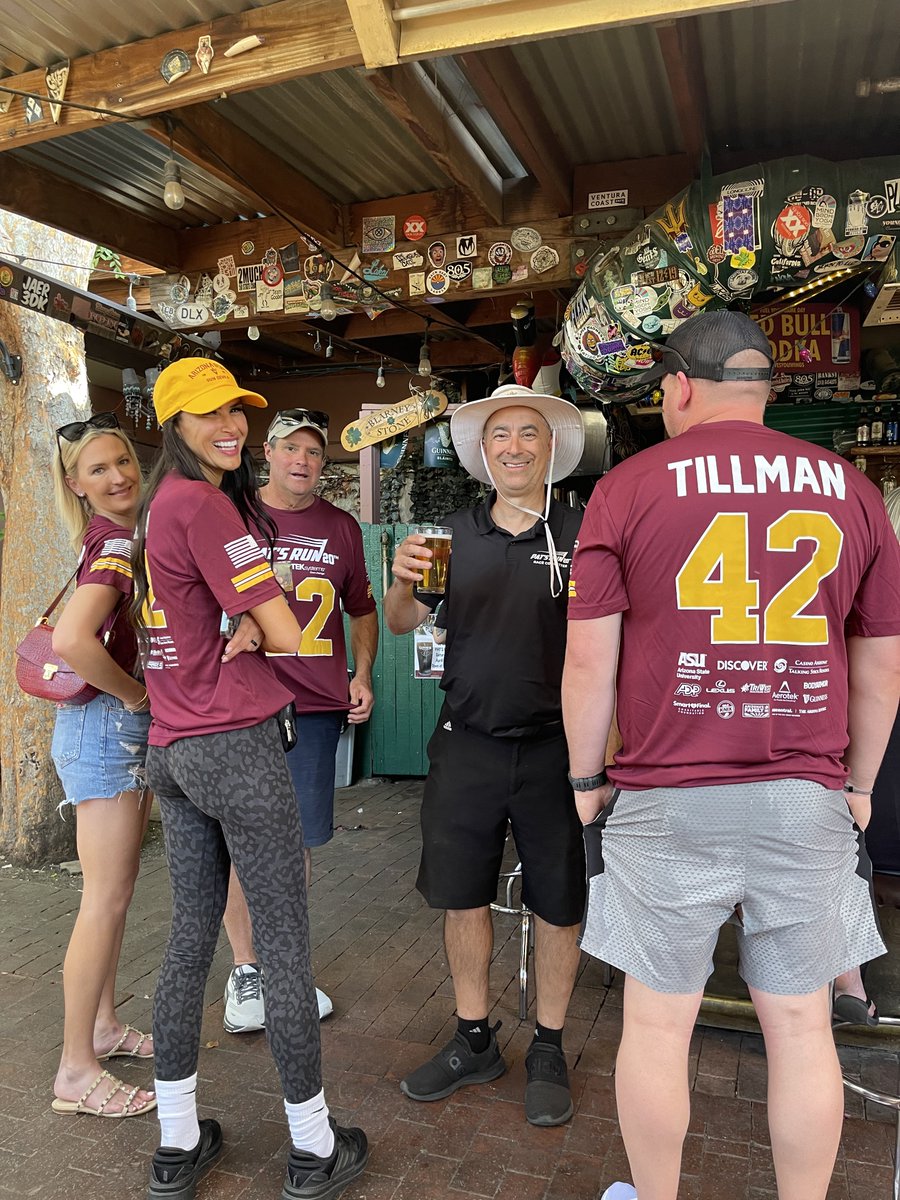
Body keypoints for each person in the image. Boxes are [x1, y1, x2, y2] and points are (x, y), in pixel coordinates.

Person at [562, 310, 900, 1200]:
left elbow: (590, 657)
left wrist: (587, 780)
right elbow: (882, 664)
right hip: (805, 795)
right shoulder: (851, 490)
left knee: (658, 1026)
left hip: (669, 795)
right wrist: (859, 785)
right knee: (800, 1028)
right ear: (760, 388)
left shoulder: (628, 487)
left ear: (678, 385)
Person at [131, 358, 367, 1200]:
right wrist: (259, 628)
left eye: (236, 410)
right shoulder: (205, 505)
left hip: (173, 746)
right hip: (234, 744)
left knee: (190, 937)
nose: (227, 425)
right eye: (207, 414)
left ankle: (175, 1142)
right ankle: (312, 1148)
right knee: (283, 942)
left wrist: (240, 623)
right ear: (174, 425)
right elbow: (285, 624)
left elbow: (209, 612)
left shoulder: (159, 506)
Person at [384, 382, 587, 1127]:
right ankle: (474, 1040)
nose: (514, 447)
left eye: (528, 434)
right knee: (461, 896)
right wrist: (399, 582)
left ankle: (550, 1046)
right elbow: (405, 622)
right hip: (465, 744)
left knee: (560, 904)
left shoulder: (580, 533)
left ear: (551, 448)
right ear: (482, 452)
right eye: (500, 435)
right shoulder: (447, 538)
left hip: (556, 752)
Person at [222, 407, 378, 1030]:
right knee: (243, 838)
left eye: (314, 451)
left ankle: (283, 968)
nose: (302, 461)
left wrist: (361, 674)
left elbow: (362, 609)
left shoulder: (341, 527)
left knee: (296, 847)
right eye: (291, 447)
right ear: (269, 451)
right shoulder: (235, 516)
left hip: (314, 708)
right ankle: (245, 972)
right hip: (244, 704)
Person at [48, 413, 157, 1120]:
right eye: (98, 469)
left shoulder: (109, 537)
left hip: (104, 727)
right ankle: (76, 1071)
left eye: (122, 462)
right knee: (104, 901)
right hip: (107, 726)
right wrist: (137, 696)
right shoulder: (116, 541)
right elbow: (72, 640)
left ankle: (104, 1026)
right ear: (75, 484)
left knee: (114, 894)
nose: (117, 476)